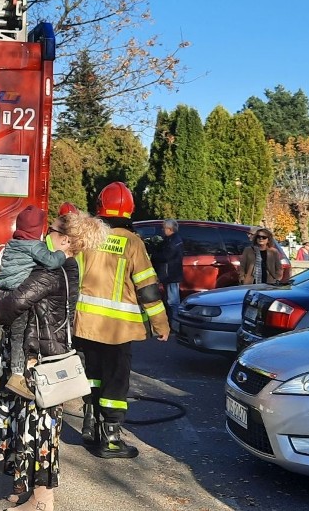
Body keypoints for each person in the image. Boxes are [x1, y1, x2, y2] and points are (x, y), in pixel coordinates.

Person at [0, 210, 106, 511]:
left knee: (38, 428)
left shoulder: (51, 273)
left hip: (37, 361)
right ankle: (23, 487)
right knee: (30, 425)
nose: (45, 235)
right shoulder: (69, 267)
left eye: (51, 231)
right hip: (40, 355)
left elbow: (9, 307)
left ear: (65, 239)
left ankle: (42, 499)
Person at [73, 182, 170, 459]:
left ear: (99, 208)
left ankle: (90, 425)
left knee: (92, 375)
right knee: (115, 381)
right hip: (117, 329)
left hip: (85, 324)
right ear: (129, 210)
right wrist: (160, 324)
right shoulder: (133, 243)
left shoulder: (88, 239)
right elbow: (147, 288)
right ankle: (111, 438)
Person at [0, 204, 67, 399]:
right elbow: (51, 262)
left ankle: (7, 360)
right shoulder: (35, 246)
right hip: (15, 296)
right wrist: (63, 254)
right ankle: (17, 377)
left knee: (10, 335)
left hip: (0, 293)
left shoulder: (12, 243)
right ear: (39, 230)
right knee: (20, 336)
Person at [150, 218, 183, 329]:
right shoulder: (170, 240)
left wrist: (153, 254)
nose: (162, 230)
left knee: (173, 302)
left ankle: (176, 326)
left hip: (171, 275)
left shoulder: (174, 242)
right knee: (170, 301)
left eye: (164, 228)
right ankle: (173, 324)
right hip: (169, 274)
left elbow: (165, 256)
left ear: (169, 229)